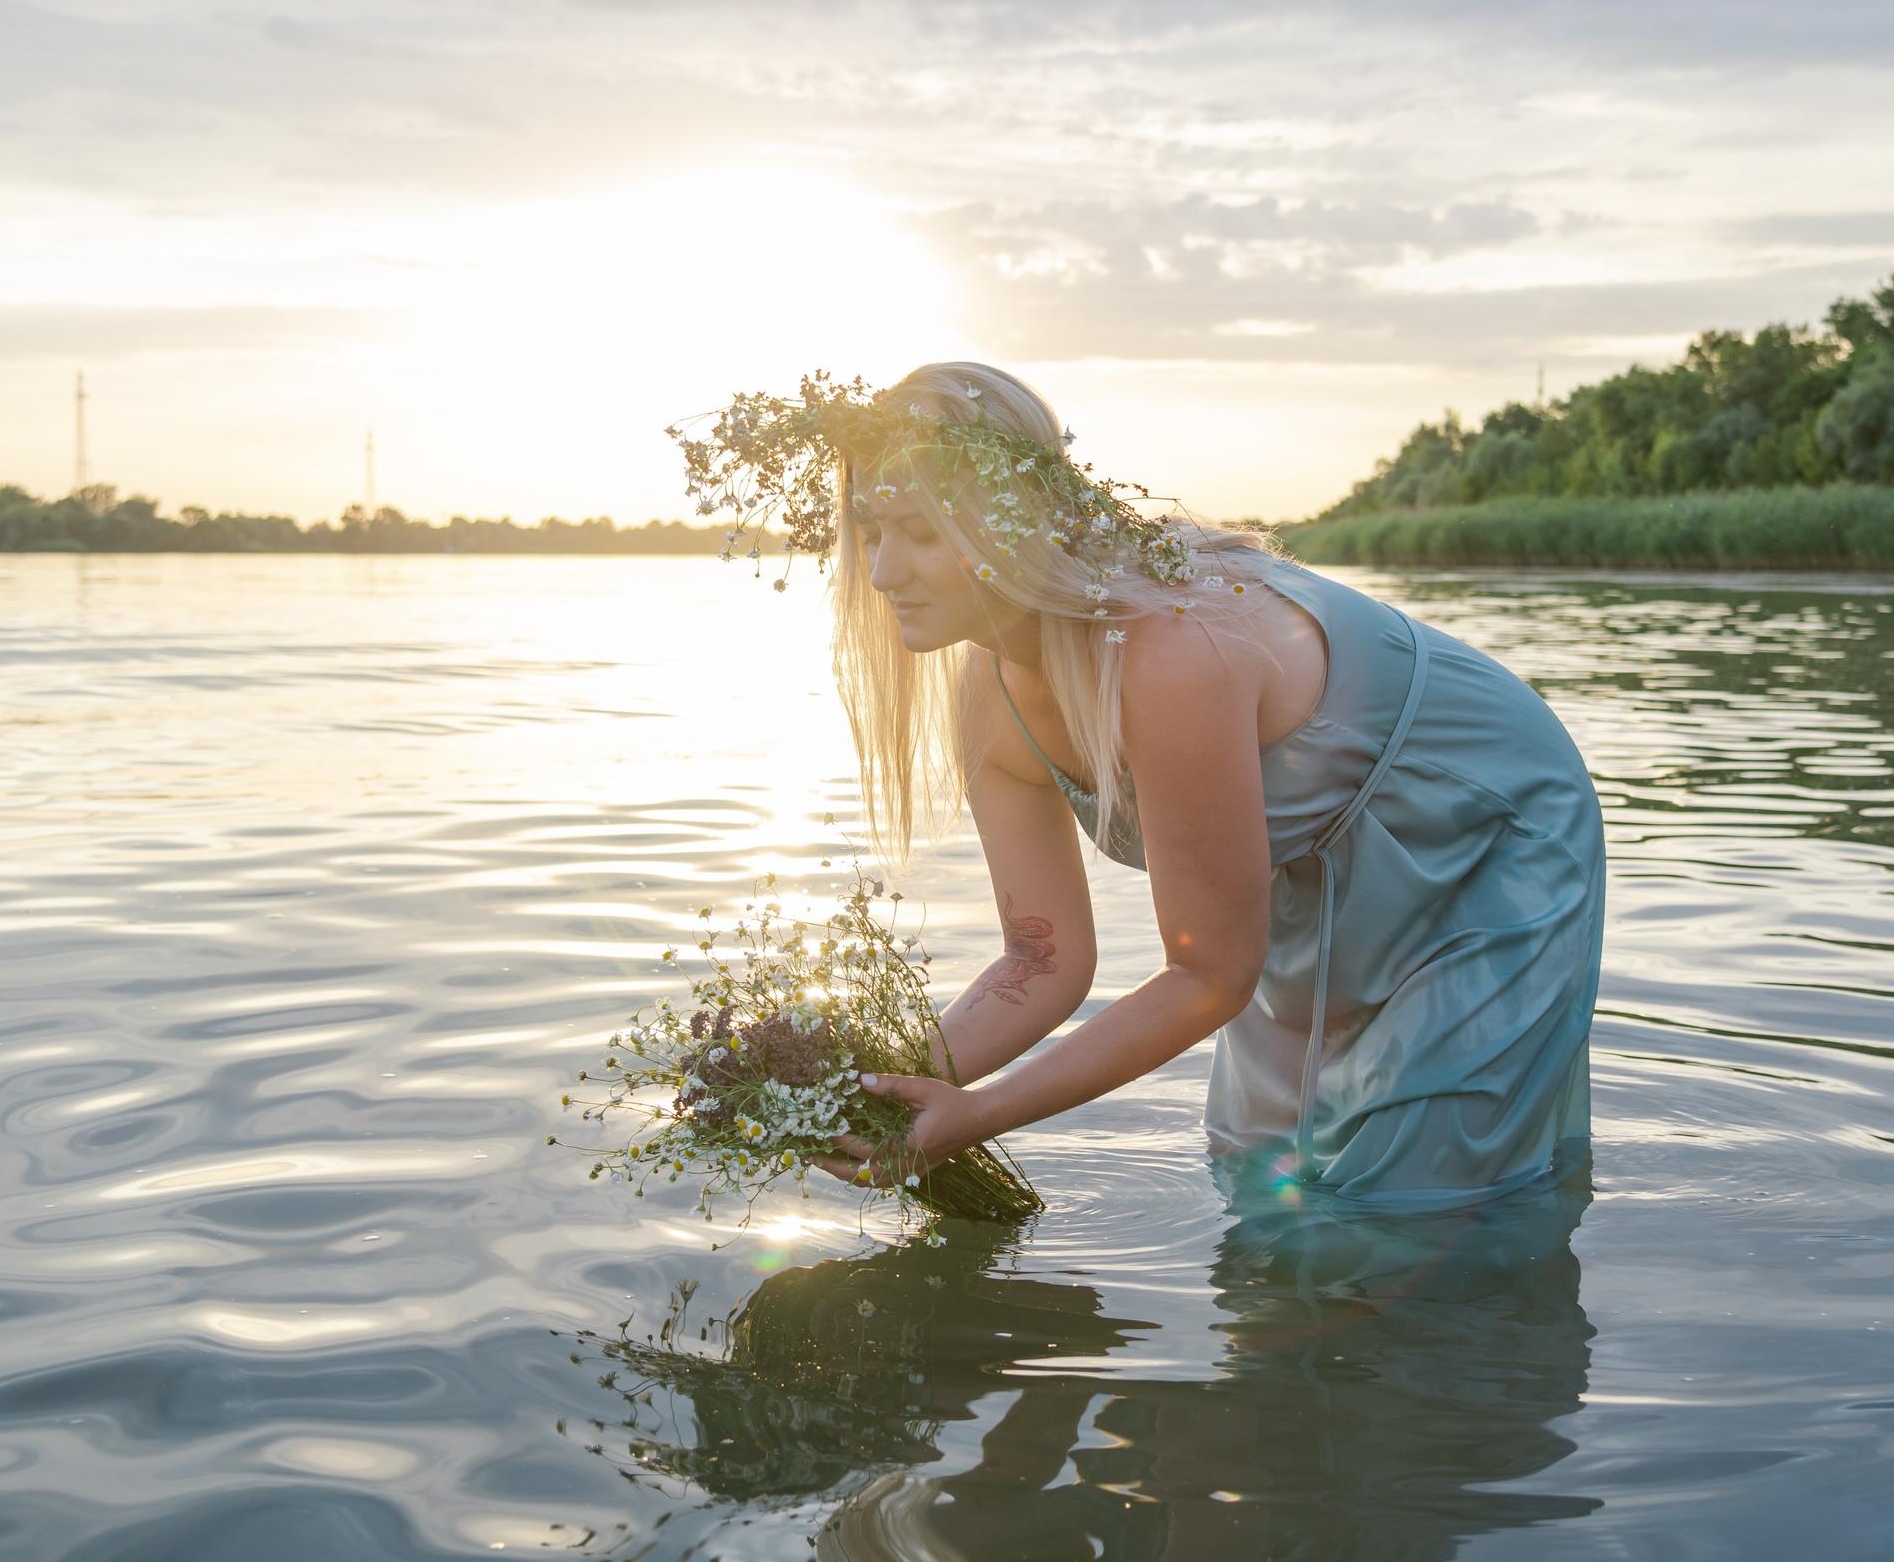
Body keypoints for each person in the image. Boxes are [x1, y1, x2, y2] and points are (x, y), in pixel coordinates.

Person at [675, 361, 1603, 1208]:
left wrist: (975, 1114)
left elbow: (1210, 973)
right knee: (1271, 1173)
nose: (881, 571)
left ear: (1005, 520)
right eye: (871, 532)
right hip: (1319, 861)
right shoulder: (990, 696)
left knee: (1408, 1194)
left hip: (1482, 835)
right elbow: (1043, 959)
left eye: (919, 532)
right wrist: (877, 1084)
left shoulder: (1169, 654)